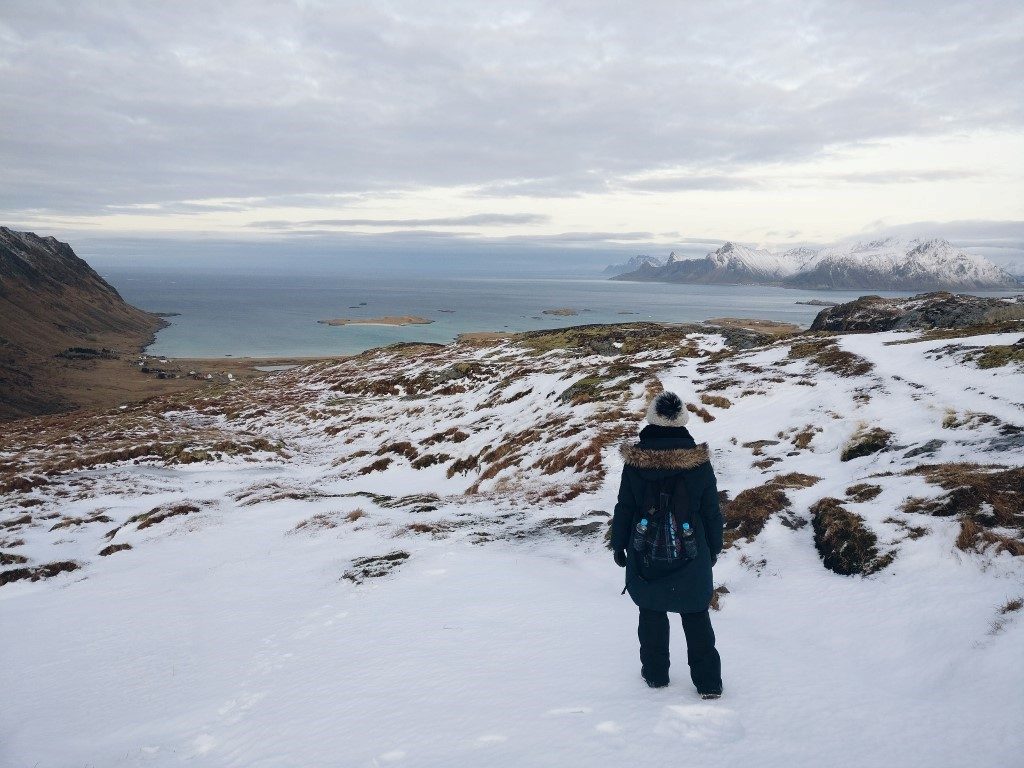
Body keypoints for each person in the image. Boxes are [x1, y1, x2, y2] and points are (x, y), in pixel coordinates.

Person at [610, 390, 724, 697]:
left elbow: (625, 506)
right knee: (696, 614)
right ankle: (709, 683)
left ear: (651, 419)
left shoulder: (635, 462)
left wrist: (618, 545)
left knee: (651, 610)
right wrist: (714, 548)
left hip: (645, 553)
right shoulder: (698, 463)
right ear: (683, 420)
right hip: (692, 551)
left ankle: (656, 677)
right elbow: (711, 511)